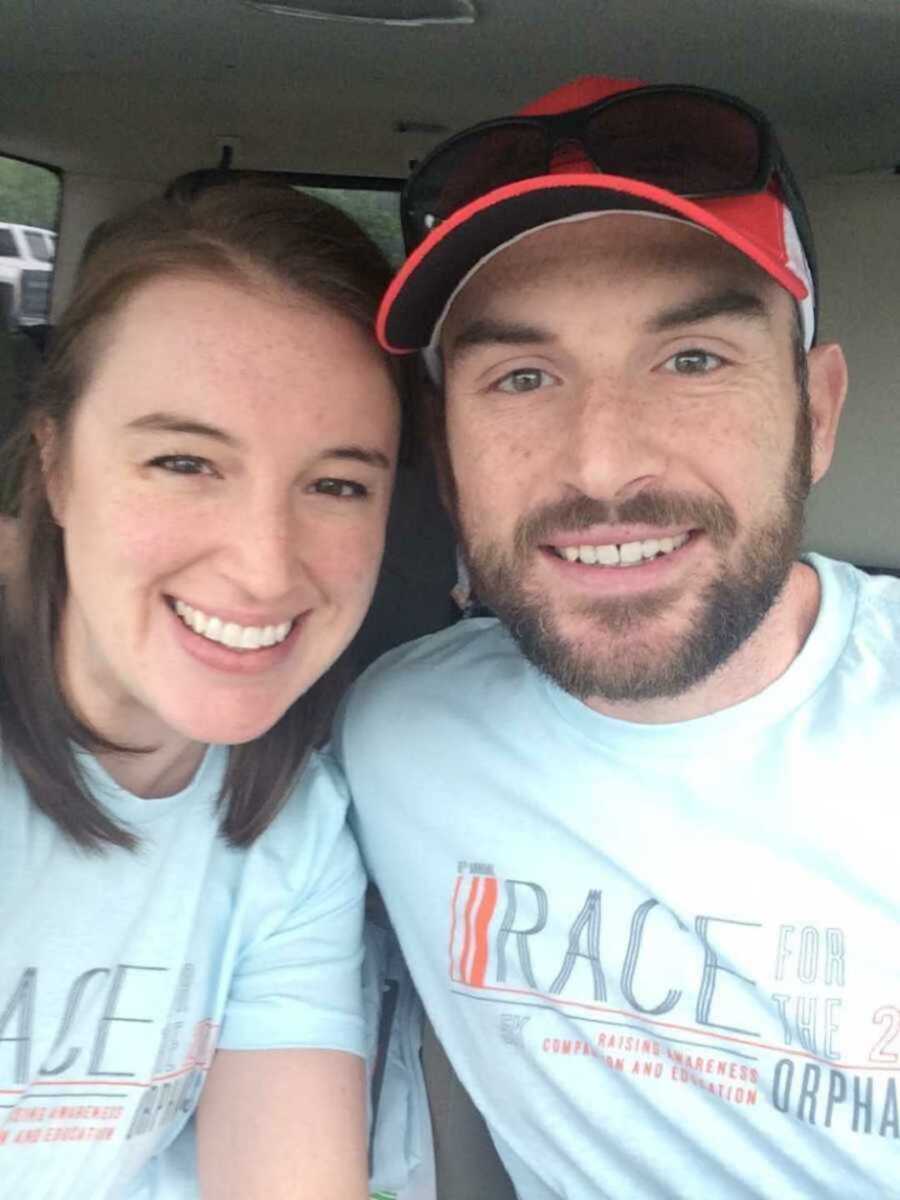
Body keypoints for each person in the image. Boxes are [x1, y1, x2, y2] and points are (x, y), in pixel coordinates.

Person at [335, 76, 900, 1198]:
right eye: (523, 377)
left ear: (818, 414)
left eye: (691, 359)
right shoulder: (392, 730)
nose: (601, 466)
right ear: (447, 462)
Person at [0, 179, 401, 1198]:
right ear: (54, 463)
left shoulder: (294, 827)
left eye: (338, 485)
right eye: (184, 461)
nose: (266, 569)